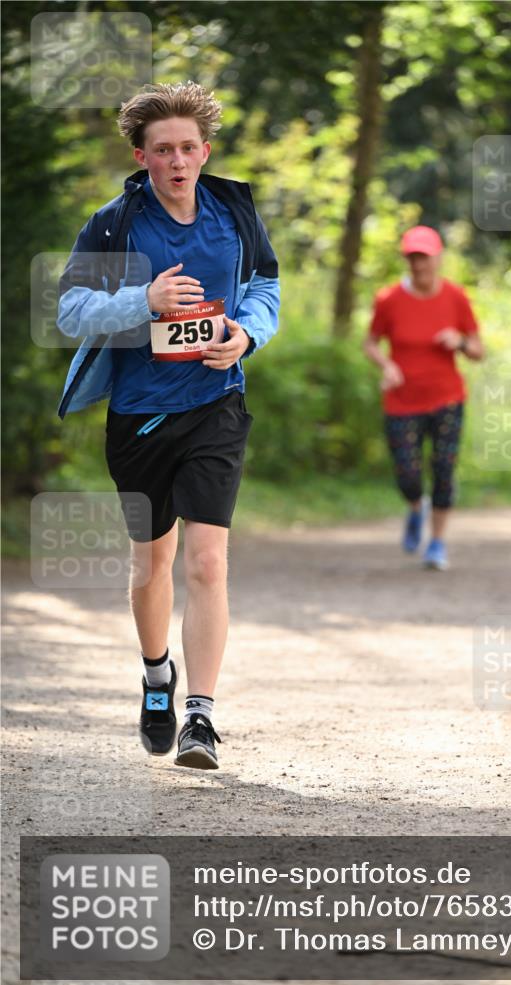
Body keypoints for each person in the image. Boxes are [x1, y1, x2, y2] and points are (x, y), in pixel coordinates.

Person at [57, 82, 280, 769]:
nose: (178, 161)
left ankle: (201, 720)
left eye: (188, 148)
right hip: (139, 416)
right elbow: (69, 311)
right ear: (142, 156)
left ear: (204, 151)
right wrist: (140, 299)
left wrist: (247, 334)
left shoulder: (233, 210)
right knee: (153, 562)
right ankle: (157, 675)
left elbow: (265, 285)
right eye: (163, 151)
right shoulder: (115, 222)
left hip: (216, 404)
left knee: (207, 561)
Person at [364, 225, 483, 570]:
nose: (419, 265)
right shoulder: (389, 300)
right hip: (401, 401)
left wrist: (459, 341)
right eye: (413, 257)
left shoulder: (456, 298)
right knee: (408, 475)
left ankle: (438, 543)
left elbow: (478, 350)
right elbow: (370, 342)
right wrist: (386, 365)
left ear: (438, 258)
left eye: (425, 257)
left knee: (444, 470)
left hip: (447, 399)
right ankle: (417, 507)